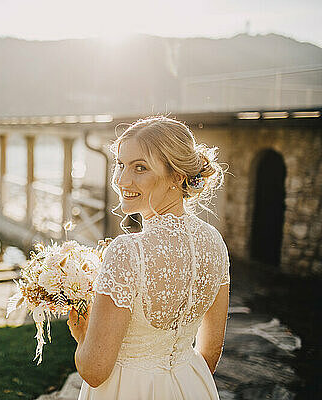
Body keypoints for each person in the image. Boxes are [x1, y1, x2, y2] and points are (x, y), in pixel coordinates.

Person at [68, 116, 230, 399]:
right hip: (193, 385)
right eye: (120, 164)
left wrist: (82, 333)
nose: (121, 179)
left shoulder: (128, 252)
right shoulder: (215, 242)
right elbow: (210, 352)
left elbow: (94, 371)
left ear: (177, 176)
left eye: (140, 168)